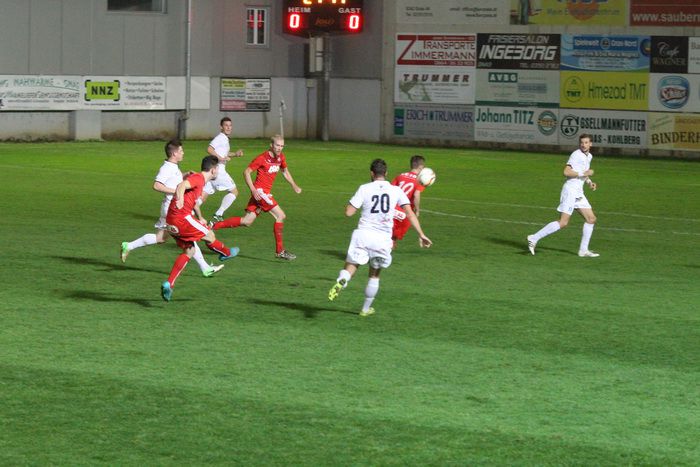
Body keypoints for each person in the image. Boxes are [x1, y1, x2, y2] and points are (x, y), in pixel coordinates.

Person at [328, 159, 432, 317]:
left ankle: (343, 280)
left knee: (351, 265)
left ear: (371, 173)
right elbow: (410, 214)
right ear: (386, 173)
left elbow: (349, 212)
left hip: (363, 235)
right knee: (374, 275)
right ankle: (365, 309)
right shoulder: (395, 190)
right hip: (382, 239)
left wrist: (352, 204)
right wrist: (421, 234)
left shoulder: (364, 188)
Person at [120, 139, 223, 277]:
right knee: (190, 238)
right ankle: (205, 268)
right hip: (173, 208)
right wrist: (176, 192)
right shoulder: (166, 168)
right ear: (174, 153)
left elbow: (174, 180)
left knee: (161, 238)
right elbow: (157, 185)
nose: (183, 153)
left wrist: (184, 175)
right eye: (181, 150)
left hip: (174, 207)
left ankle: (129, 246)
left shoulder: (173, 166)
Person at [161, 155, 240, 302]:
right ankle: (226, 253)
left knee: (189, 251)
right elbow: (181, 186)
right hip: (181, 219)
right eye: (218, 169)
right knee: (209, 235)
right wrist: (180, 199)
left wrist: (200, 216)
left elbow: (193, 200)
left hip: (171, 221)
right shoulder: (198, 178)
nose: (218, 172)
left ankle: (169, 284)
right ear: (213, 170)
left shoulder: (200, 181)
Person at [211, 134, 302, 260]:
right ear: (271, 145)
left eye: (282, 146)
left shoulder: (281, 157)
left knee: (247, 221)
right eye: (277, 145)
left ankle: (213, 226)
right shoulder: (262, 158)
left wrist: (294, 185)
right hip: (260, 193)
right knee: (281, 215)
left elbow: (285, 171)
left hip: (262, 194)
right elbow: (246, 172)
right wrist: (253, 190)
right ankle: (280, 251)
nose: (279, 148)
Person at [527, 133, 600, 257]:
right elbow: (566, 172)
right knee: (563, 222)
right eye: (582, 142)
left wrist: (589, 182)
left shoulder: (589, 156)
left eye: (586, 142)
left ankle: (583, 250)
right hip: (570, 191)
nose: (583, 145)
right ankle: (534, 238)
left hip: (578, 193)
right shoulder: (576, 155)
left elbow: (583, 172)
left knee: (591, 219)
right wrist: (584, 173)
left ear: (590, 144)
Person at [201, 117, 244, 222]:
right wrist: (220, 158)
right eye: (226, 125)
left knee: (203, 196)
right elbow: (209, 149)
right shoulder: (220, 138)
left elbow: (224, 153)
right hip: (219, 171)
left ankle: (188, 212)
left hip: (211, 171)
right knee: (234, 191)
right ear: (221, 127)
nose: (228, 127)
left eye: (230, 125)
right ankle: (218, 214)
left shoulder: (224, 139)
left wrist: (235, 154)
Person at [391, 154, 427, 246]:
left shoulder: (400, 176)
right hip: (405, 213)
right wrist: (417, 210)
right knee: (392, 241)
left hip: (391, 210)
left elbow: (390, 190)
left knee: (384, 236)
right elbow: (416, 194)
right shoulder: (420, 180)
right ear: (421, 167)